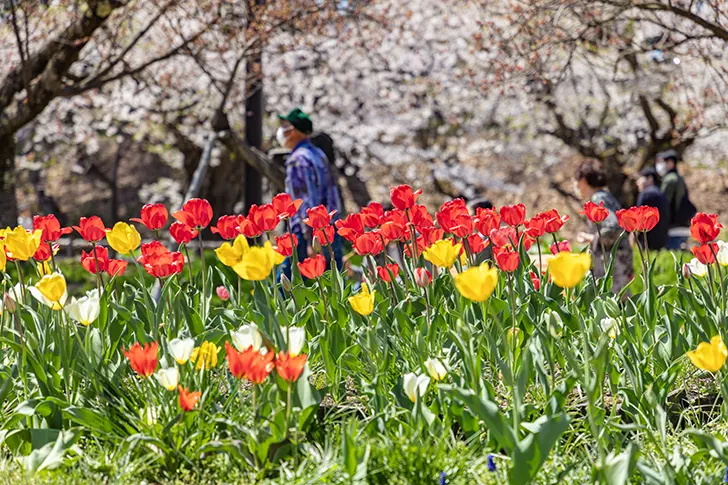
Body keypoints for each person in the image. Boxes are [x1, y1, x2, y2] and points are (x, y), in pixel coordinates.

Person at [276, 108, 343, 279]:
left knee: (286, 288)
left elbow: (305, 201)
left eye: (285, 126)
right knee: (331, 289)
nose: (282, 130)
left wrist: (311, 239)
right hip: (330, 230)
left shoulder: (298, 160)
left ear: (294, 131)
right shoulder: (319, 154)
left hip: (306, 235)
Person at [574, 159, 634, 293]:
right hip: (618, 262)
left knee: (613, 306)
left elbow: (614, 228)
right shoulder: (605, 196)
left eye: (577, 181)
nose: (576, 186)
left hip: (613, 266)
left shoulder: (599, 199)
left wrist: (591, 238)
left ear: (583, 181)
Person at [656, 149, 696, 249]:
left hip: (673, 226)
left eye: (662, 162)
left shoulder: (669, 179)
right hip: (682, 224)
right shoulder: (678, 178)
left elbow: (664, 204)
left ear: (670, 163)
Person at [635, 167, 669, 250]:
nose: (637, 182)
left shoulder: (645, 194)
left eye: (640, 178)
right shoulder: (661, 193)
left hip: (648, 240)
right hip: (662, 239)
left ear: (650, 179)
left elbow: (639, 217)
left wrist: (634, 236)